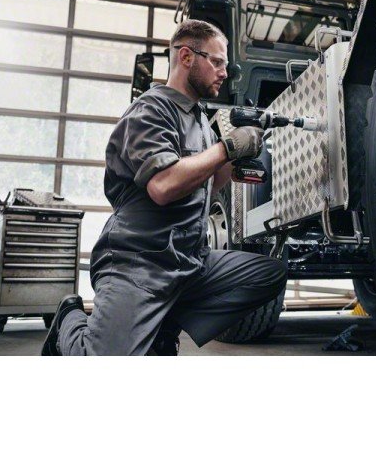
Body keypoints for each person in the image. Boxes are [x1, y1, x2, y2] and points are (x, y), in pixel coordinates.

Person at [41, 19, 287, 356]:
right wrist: (227, 148)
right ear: (186, 57)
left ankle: (163, 325)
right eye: (217, 62)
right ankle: (67, 322)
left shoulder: (201, 121)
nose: (224, 73)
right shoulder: (151, 110)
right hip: (139, 261)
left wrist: (237, 156)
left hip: (189, 262)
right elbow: (164, 185)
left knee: (268, 274)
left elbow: (211, 183)